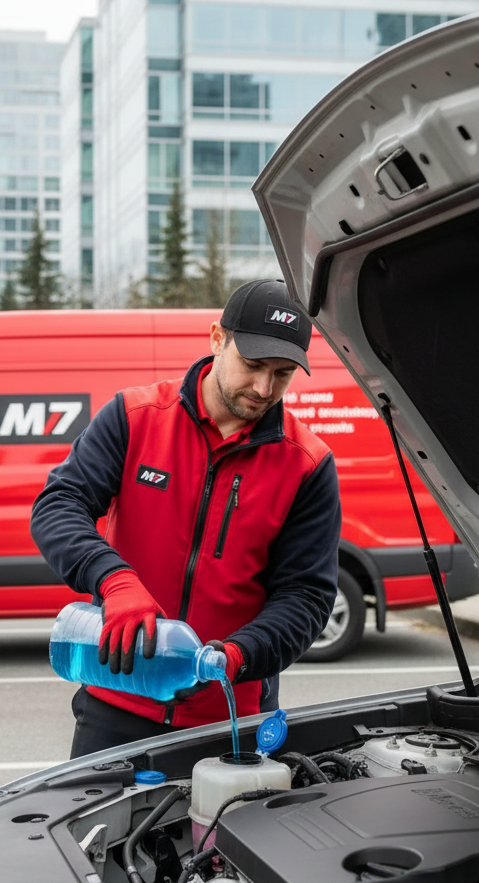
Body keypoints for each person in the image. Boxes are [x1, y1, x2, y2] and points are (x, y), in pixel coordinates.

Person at [31, 280, 342, 757]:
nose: (263, 388)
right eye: (253, 365)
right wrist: (115, 581)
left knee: (217, 835)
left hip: (231, 719)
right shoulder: (135, 417)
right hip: (116, 699)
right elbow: (59, 504)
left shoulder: (307, 464)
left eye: (282, 374)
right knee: (94, 834)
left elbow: (306, 596)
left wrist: (237, 656)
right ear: (217, 338)